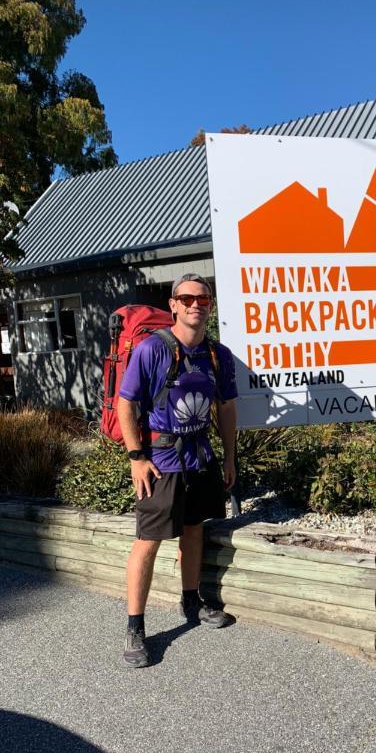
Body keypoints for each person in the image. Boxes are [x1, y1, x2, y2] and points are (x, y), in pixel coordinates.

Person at [117, 273, 238, 668]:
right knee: (148, 541)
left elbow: (227, 408)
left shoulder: (217, 354)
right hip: (161, 461)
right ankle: (135, 627)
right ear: (173, 304)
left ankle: (192, 602)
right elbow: (126, 404)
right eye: (186, 298)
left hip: (200, 459)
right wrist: (137, 457)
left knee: (194, 529)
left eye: (202, 299)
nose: (195, 305)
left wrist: (230, 457)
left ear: (210, 306)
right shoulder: (152, 350)